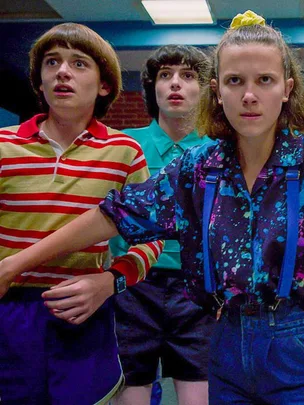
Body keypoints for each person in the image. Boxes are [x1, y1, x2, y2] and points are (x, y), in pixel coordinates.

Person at [1, 12, 304, 405]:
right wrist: (15, 265)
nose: (249, 94)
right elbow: (115, 214)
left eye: (265, 79)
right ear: (218, 90)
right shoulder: (198, 167)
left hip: (301, 344)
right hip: (224, 343)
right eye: (234, 80)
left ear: (287, 88)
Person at [0, 23, 162, 405]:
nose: (62, 72)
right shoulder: (3, 145)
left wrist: (110, 283)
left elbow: (151, 239)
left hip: (83, 310)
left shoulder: (125, 152)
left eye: (79, 63)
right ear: (39, 82)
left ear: (104, 85)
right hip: (9, 310)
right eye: (52, 62)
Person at [111, 45, 214, 405]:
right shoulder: (125, 145)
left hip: (197, 292)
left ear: (205, 89)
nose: (175, 84)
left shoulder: (218, 150)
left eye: (188, 76)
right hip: (132, 291)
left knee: (197, 394)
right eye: (165, 75)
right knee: (132, 390)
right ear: (151, 87)